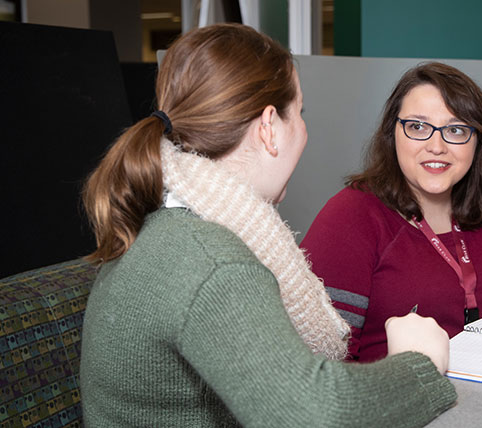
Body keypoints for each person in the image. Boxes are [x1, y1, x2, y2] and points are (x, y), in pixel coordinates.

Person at [79, 24, 455, 427]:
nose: (304, 131)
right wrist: (420, 364)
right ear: (269, 128)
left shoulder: (165, 227)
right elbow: (316, 417)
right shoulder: (215, 264)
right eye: (300, 114)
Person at [300, 62, 482, 362]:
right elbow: (317, 367)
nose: (436, 146)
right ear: (392, 133)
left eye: (456, 129)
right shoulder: (350, 217)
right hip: (396, 404)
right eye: (418, 127)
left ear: (477, 142)